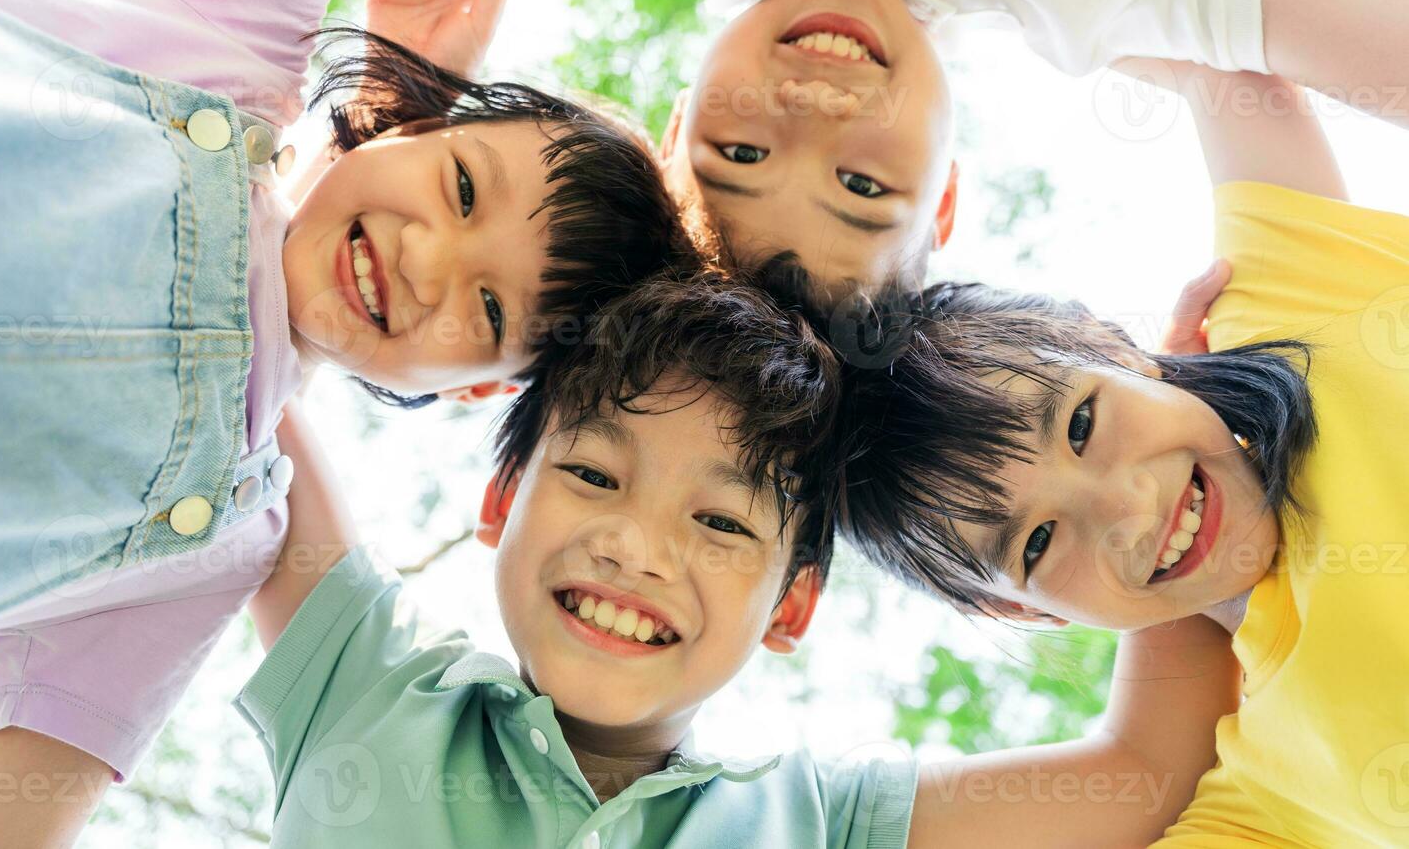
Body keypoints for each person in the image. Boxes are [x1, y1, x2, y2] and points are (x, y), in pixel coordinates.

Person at [0, 0, 682, 840]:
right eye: (460, 185)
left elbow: (13, 809)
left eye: (490, 304)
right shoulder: (229, 24)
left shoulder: (215, 545)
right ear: (419, 121)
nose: (425, 260)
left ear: (479, 388)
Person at [236, 272, 1242, 847]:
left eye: (722, 523)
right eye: (592, 473)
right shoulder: (361, 681)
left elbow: (1147, 768)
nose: (636, 544)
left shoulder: (826, 821)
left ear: (790, 606)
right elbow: (246, 350)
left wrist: (1162, 447)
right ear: (501, 499)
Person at [337, 0, 1409, 292]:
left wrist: (393, 113)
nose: (817, 111)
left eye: (742, 155)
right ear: (943, 192)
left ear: (673, 130)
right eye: (865, 188)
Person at [833, 63, 1409, 844]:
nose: (1134, 509)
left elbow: (1216, 40)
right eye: (1039, 542)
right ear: (1023, 608)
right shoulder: (1271, 794)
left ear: (1110, 342)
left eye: (1080, 424)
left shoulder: (1293, 309)